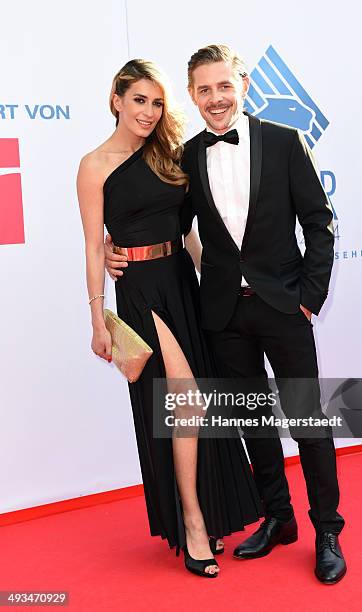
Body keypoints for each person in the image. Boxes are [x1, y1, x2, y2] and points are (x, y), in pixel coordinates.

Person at [105, 45, 347, 585]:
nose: (216, 99)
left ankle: (327, 530)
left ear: (242, 85)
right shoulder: (186, 157)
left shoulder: (284, 142)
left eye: (224, 86)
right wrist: (114, 249)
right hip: (220, 313)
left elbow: (320, 222)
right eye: (204, 90)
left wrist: (310, 294)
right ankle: (278, 518)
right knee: (253, 424)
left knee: (307, 420)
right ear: (192, 95)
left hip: (285, 306)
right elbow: (165, 220)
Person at [77, 58, 262, 578]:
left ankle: (204, 510)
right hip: (141, 292)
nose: (149, 112)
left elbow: (188, 235)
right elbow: (95, 248)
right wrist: (97, 320)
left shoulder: (169, 156)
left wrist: (224, 284)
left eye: (157, 103)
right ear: (116, 99)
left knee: (193, 404)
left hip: (183, 282)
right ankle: (193, 519)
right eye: (139, 100)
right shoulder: (94, 165)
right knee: (186, 400)